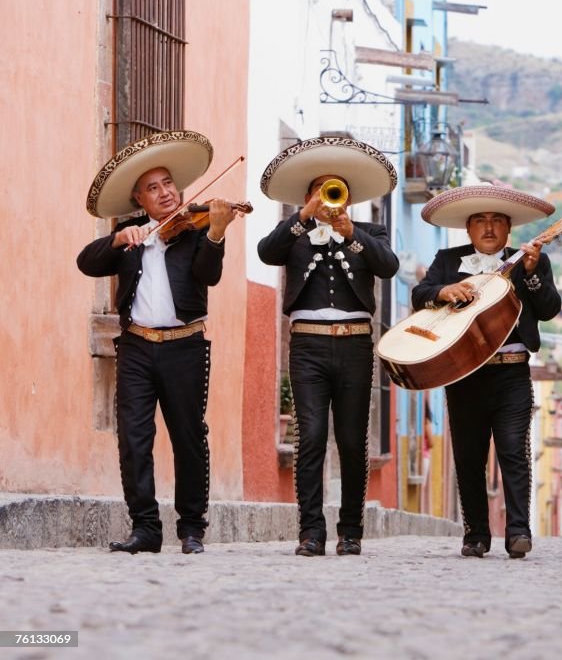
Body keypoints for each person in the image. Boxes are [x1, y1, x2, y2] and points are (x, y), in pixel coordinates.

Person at [77, 130, 239, 555]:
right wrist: (117, 238)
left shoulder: (194, 232)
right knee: (133, 438)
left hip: (184, 346)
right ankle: (145, 528)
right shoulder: (130, 236)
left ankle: (191, 529)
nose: (165, 193)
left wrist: (217, 233)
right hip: (134, 348)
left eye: (168, 183)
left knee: (188, 436)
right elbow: (86, 261)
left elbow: (209, 276)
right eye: (153, 188)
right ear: (139, 200)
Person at [257, 137, 399, 557]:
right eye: (320, 191)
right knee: (311, 438)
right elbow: (266, 253)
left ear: (349, 197)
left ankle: (351, 530)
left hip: (355, 346)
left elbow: (388, 266)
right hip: (308, 347)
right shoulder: (295, 234)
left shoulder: (370, 232)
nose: (328, 199)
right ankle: (310, 531)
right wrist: (303, 216)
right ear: (307, 197)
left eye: (334, 190)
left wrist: (351, 232)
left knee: (354, 441)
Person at [411, 185, 561, 558]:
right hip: (463, 374)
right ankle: (476, 534)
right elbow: (421, 293)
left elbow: (549, 309)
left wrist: (530, 274)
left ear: (509, 228)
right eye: (481, 221)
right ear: (468, 228)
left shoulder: (531, 260)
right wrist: (444, 291)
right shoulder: (447, 260)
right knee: (468, 454)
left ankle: (518, 531)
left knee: (513, 451)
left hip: (512, 371)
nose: (489, 228)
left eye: (497, 221)